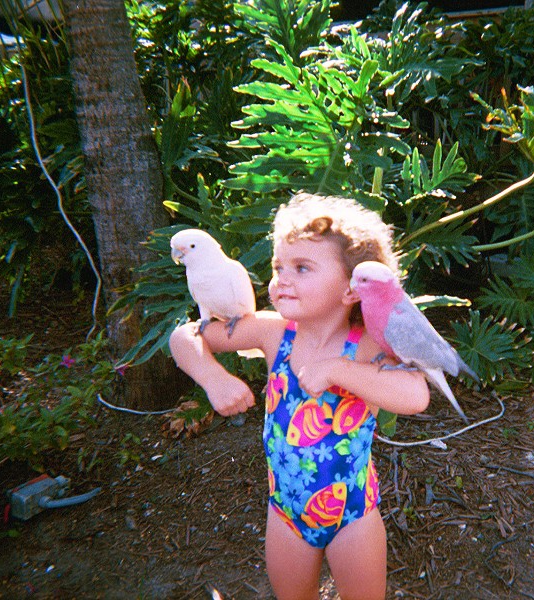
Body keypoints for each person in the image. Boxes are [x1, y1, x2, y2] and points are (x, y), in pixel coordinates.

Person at [169, 193, 430, 600]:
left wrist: (338, 370)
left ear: (350, 290)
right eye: (278, 267)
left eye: (301, 267)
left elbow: (416, 396)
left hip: (353, 514)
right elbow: (183, 337)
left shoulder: (367, 348)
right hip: (286, 511)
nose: (280, 279)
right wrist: (213, 379)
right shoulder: (272, 333)